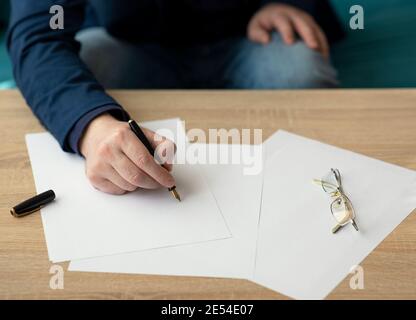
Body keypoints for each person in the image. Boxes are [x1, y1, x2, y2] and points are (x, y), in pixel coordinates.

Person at [7, 0, 343, 195]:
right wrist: (91, 126)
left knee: (301, 69)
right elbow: (38, 34)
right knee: (91, 60)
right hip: (131, 44)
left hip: (247, 36)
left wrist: (286, 3)